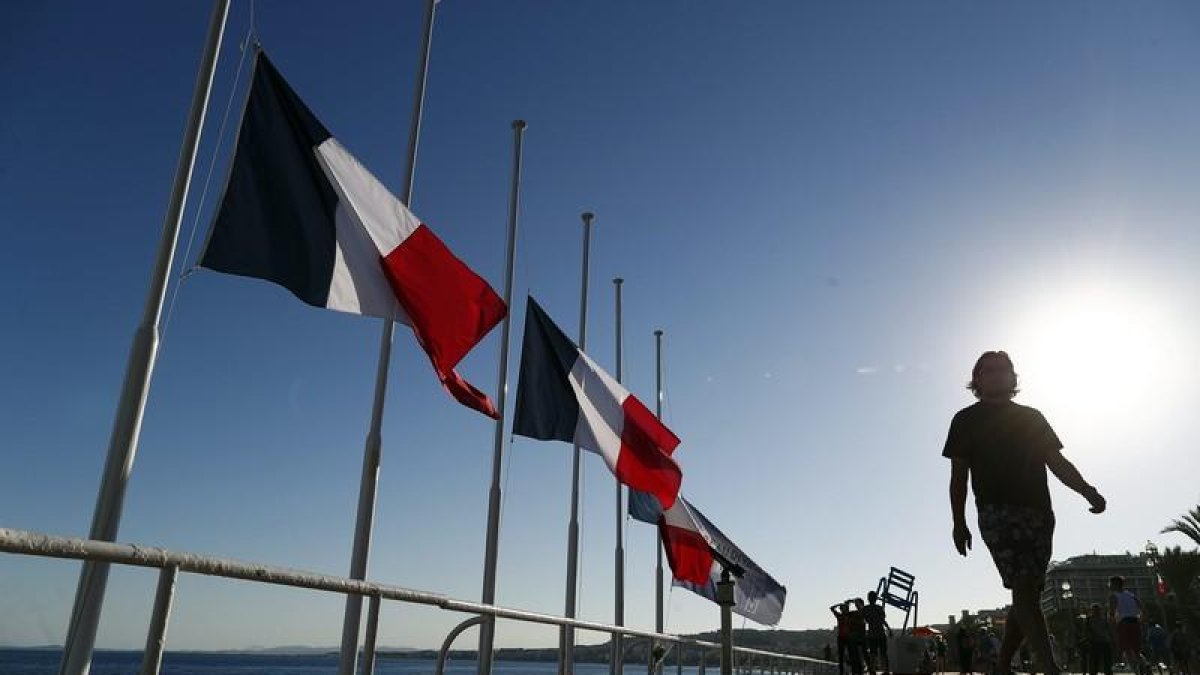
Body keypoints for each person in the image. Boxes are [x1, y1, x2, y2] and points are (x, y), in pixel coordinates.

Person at [944, 351, 1107, 675]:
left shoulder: (1032, 417)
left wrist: (1087, 490)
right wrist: (958, 522)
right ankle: (1050, 667)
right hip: (997, 512)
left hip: (1039, 513)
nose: (996, 374)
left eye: (1003, 369)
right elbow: (958, 476)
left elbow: (1057, 462)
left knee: (1028, 592)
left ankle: (1003, 664)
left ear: (1013, 376)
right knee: (1022, 584)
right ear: (977, 380)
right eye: (988, 370)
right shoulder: (965, 420)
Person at [1109, 576, 1144, 672]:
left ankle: (1136, 670)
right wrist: (1140, 619)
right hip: (1135, 621)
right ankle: (1143, 664)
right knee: (1137, 650)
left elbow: (1111, 613)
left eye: (1111, 584)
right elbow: (1142, 608)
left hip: (1123, 623)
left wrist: (1113, 627)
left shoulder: (1114, 596)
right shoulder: (1131, 595)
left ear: (1115, 584)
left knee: (1127, 649)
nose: (1109, 586)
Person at [863, 591, 893, 675]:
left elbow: (863, 619)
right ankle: (886, 670)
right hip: (881, 633)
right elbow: (883, 620)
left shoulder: (866, 609)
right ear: (876, 599)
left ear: (868, 599)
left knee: (873, 653)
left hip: (872, 634)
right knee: (883, 654)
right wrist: (889, 629)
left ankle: (873, 670)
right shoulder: (879, 608)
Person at [1085, 603, 1114, 675]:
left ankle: (1107, 672)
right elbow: (1087, 631)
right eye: (1095, 610)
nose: (1096, 612)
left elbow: (1108, 629)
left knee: (1106, 662)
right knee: (1094, 662)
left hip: (1104, 642)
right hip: (1095, 642)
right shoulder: (1089, 620)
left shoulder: (1103, 619)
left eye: (1097, 610)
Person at [849, 598, 868, 675]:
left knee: (864, 654)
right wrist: (849, 603)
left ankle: (865, 668)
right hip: (856, 637)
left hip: (862, 636)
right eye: (855, 604)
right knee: (856, 655)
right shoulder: (855, 613)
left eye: (857, 604)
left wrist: (854, 601)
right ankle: (859, 670)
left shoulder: (864, 611)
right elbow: (846, 613)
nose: (856, 605)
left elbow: (863, 610)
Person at [833, 601, 852, 675]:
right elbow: (832, 608)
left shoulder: (847, 615)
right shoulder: (841, 615)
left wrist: (841, 605)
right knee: (841, 656)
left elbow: (832, 608)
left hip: (846, 637)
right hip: (842, 637)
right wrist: (840, 604)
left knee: (849, 655)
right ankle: (842, 672)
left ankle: (847, 671)